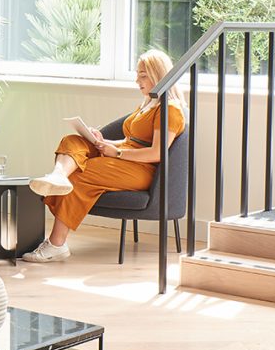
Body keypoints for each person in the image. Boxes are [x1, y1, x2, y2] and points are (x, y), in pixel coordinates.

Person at [23, 49, 186, 263]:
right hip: (126, 157)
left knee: (82, 174)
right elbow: (133, 140)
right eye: (137, 74)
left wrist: (117, 153)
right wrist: (104, 142)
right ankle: (58, 176)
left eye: (143, 75)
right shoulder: (149, 103)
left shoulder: (169, 109)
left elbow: (156, 153)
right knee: (72, 141)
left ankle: (56, 245)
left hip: (143, 170)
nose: (137, 80)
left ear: (159, 75)